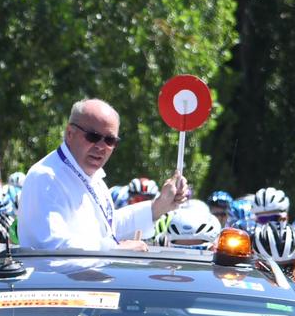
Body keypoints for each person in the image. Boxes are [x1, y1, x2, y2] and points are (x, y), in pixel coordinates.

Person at [18, 99, 187, 250]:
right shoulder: (46, 177)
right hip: (58, 285)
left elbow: (108, 229)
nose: (101, 146)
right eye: (93, 136)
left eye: (110, 140)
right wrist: (116, 250)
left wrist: (159, 206)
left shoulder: (92, 176)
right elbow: (51, 248)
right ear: (70, 133)